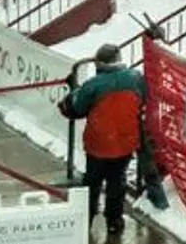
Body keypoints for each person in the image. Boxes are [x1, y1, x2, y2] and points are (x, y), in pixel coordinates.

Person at [60, 43, 147, 233]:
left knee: (92, 181)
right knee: (117, 180)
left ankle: (87, 219)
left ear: (100, 64)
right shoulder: (136, 78)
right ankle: (114, 221)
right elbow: (143, 100)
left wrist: (74, 89)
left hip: (98, 144)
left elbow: (78, 107)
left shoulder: (93, 85)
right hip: (125, 142)